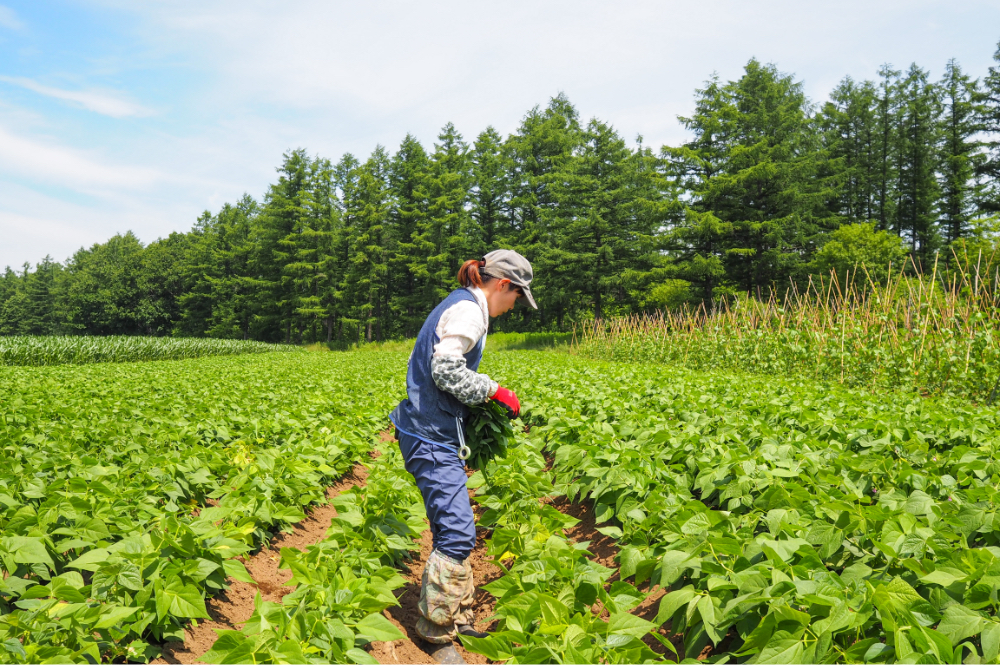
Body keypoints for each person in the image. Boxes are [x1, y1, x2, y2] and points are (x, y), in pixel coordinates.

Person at [389, 249, 535, 664]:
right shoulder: (470, 312)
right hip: (428, 434)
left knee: (453, 526)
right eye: (516, 298)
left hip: (429, 431)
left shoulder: (461, 304)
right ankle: (435, 632)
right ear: (502, 284)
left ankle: (458, 613)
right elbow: (447, 370)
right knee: (457, 532)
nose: (513, 307)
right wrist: (493, 391)